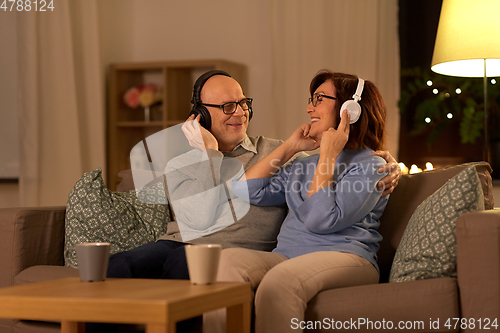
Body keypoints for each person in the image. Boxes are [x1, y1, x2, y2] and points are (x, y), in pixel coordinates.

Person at [106, 70, 400, 281]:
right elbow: (199, 217)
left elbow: (337, 176)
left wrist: (388, 163)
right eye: (227, 107)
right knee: (113, 269)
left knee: (186, 275)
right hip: (176, 245)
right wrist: (208, 155)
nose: (240, 113)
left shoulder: (283, 154)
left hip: (231, 255)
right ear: (201, 114)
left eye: (243, 103)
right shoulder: (181, 162)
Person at [212, 70, 390, 333]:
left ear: (349, 109)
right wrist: (291, 147)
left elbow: (321, 219)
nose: (309, 108)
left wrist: (329, 154)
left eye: (319, 99)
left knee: (279, 282)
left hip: (347, 257)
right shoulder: (304, 165)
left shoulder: (373, 165)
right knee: (227, 262)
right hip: (288, 257)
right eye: (311, 99)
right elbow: (245, 190)